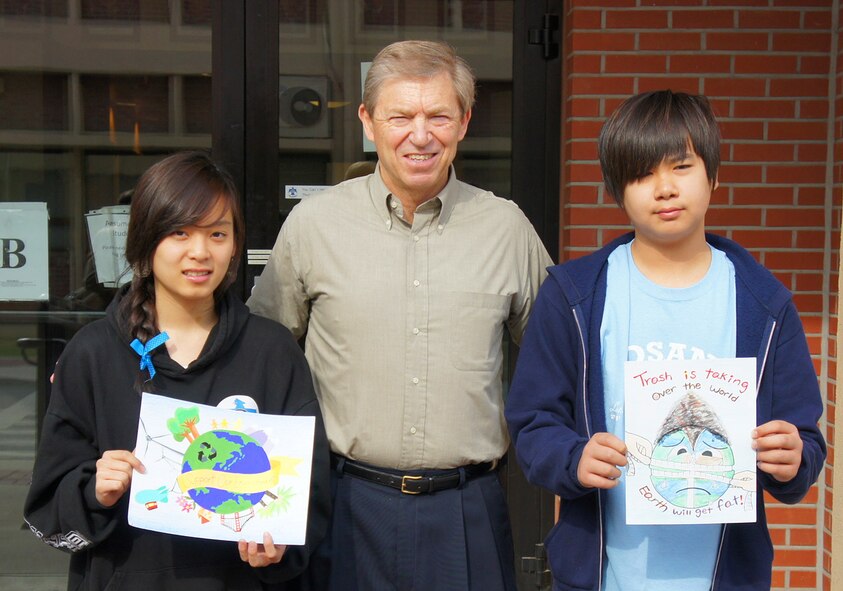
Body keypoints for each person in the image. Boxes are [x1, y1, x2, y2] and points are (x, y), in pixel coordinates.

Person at [247, 40, 553, 590]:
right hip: (341, 503)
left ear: (463, 122)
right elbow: (256, 356)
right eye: (400, 116)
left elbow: (560, 355)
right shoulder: (314, 226)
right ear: (368, 121)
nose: (420, 134)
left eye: (438, 115)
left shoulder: (505, 228)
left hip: (468, 509)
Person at [504, 90, 827, 591]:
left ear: (713, 176)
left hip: (725, 577)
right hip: (603, 574)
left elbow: (804, 440)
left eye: (681, 167)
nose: (664, 188)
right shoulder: (573, 298)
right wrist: (573, 457)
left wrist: (793, 459)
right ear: (616, 190)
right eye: (641, 174)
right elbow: (532, 421)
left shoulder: (765, 306)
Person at [24, 150, 331, 591]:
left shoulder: (272, 352)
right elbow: (47, 511)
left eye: (218, 233)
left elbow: (311, 493)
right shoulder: (92, 354)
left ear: (235, 244)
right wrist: (95, 491)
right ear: (145, 242)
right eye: (179, 232)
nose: (200, 252)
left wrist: (281, 549)